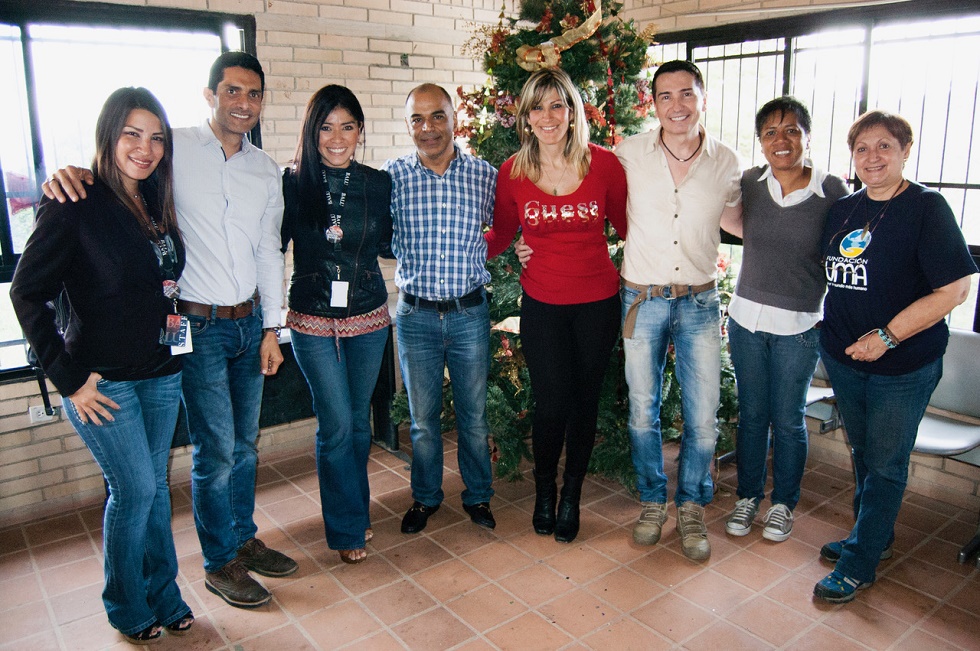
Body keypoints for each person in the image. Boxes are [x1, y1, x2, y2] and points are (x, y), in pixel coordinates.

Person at [41, 52, 296, 609]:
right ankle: (219, 561)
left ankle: (241, 537)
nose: (243, 103)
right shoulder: (171, 150)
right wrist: (69, 173)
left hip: (249, 323)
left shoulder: (264, 170)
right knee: (214, 453)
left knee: (245, 447)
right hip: (196, 328)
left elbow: (269, 251)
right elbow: (115, 172)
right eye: (232, 91)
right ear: (210, 95)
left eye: (253, 95)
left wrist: (272, 327)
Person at [12, 87, 194, 644]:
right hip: (102, 383)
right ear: (108, 136)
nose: (146, 148)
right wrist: (67, 380)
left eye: (157, 137)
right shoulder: (74, 202)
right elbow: (26, 293)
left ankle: (165, 594)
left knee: (156, 491)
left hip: (161, 374)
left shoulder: (155, 201)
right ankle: (125, 604)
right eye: (132, 135)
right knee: (135, 491)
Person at [813, 110, 976, 603]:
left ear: (906, 150)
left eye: (884, 146)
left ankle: (859, 563)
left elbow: (955, 289)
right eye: (862, 148)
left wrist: (885, 336)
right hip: (844, 356)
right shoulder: (846, 209)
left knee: (885, 462)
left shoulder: (927, 207)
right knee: (863, 452)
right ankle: (874, 537)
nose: (872, 157)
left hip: (902, 364)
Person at [484, 68, 627, 543]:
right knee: (550, 406)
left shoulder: (604, 165)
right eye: (537, 107)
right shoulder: (513, 172)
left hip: (598, 303)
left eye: (557, 105)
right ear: (525, 116)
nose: (548, 117)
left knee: (584, 405)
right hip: (543, 304)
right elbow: (501, 234)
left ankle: (571, 497)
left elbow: (630, 228)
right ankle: (544, 490)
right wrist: (447, 247)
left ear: (572, 111)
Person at [615, 60, 742, 561]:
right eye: (665, 96)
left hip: (699, 301)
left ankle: (691, 503)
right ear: (653, 104)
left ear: (703, 98)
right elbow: (588, 200)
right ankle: (652, 500)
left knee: (703, 415)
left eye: (686, 94)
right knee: (642, 412)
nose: (677, 106)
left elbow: (742, 220)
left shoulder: (726, 162)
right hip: (641, 300)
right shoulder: (628, 154)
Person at [724, 97, 849, 543]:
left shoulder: (832, 191)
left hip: (799, 325)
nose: (782, 140)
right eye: (771, 133)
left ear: (807, 136)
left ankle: (783, 504)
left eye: (792, 130)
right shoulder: (750, 184)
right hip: (746, 321)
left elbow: (852, 246)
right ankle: (748, 496)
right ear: (760, 142)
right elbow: (735, 223)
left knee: (789, 418)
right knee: (753, 416)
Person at [281, 85, 393, 564]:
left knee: (360, 426)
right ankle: (346, 529)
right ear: (312, 131)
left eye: (347, 126)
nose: (336, 137)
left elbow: (391, 243)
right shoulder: (289, 182)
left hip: (368, 314)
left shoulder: (377, 183)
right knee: (337, 425)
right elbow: (268, 246)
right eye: (326, 127)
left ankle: (356, 508)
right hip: (310, 319)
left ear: (360, 131)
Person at [384, 83, 498, 534]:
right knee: (422, 422)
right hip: (416, 317)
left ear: (454, 119)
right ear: (408, 124)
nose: (427, 128)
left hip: (469, 313)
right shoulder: (392, 177)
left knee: (473, 417)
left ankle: (478, 497)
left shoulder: (484, 175)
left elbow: (510, 225)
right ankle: (426, 497)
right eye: (417, 118)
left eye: (437, 116)